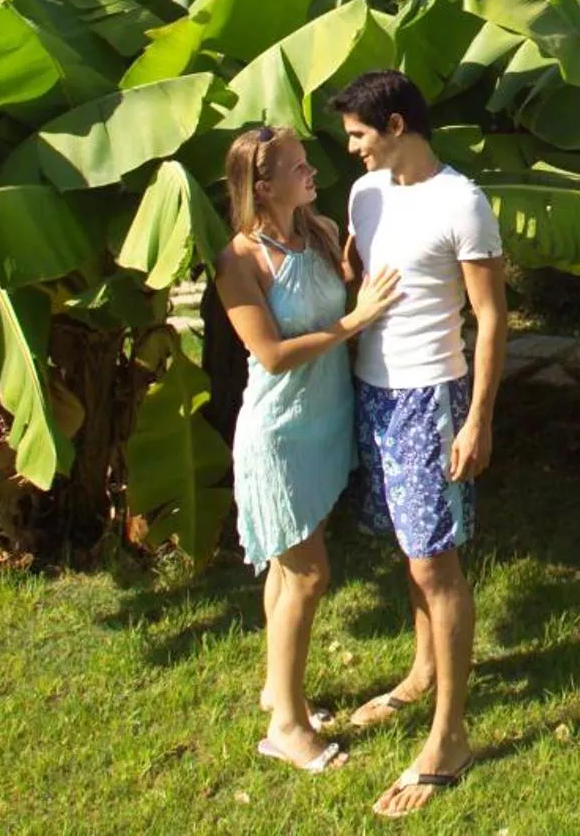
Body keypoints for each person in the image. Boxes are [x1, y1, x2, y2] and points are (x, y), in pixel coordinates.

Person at [329, 70, 509, 820]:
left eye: (360, 136)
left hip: (432, 396)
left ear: (397, 125)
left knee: (436, 559)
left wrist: (478, 419)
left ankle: (449, 735)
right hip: (372, 388)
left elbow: (492, 318)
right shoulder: (364, 194)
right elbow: (358, 269)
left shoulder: (462, 201)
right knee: (410, 548)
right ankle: (421, 670)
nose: (353, 151)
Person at [213, 124, 400, 774]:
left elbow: (342, 281)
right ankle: (286, 726)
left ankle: (278, 688)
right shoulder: (241, 258)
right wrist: (351, 323)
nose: (312, 171)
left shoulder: (314, 231)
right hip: (281, 432)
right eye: (297, 166)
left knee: (288, 570)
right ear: (261, 186)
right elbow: (269, 351)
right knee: (309, 572)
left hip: (325, 421)